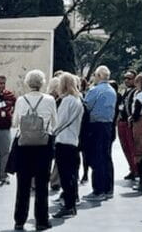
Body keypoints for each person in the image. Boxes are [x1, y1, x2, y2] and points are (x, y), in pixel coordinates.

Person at [12, 70, 57, 231]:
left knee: (22, 185)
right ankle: (41, 220)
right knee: (41, 185)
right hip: (43, 146)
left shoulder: (21, 100)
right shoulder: (50, 100)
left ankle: (19, 220)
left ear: (27, 83)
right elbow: (55, 123)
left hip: (23, 145)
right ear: (42, 82)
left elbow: (15, 122)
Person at [53, 72, 85, 219]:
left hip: (63, 141)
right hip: (73, 140)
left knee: (65, 175)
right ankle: (71, 203)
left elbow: (59, 121)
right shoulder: (78, 99)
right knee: (71, 174)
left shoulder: (67, 101)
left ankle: (68, 205)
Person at [82, 66, 117, 202]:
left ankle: (98, 190)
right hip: (108, 125)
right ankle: (108, 189)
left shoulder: (95, 90)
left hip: (95, 126)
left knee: (97, 158)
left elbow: (87, 106)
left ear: (98, 76)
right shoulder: (112, 91)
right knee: (106, 157)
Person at [116, 70, 138, 181]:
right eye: (125, 78)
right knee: (125, 147)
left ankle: (136, 169)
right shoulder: (125, 91)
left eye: (129, 78)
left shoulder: (136, 92)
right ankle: (132, 169)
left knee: (132, 147)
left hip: (130, 123)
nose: (126, 80)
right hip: (122, 122)